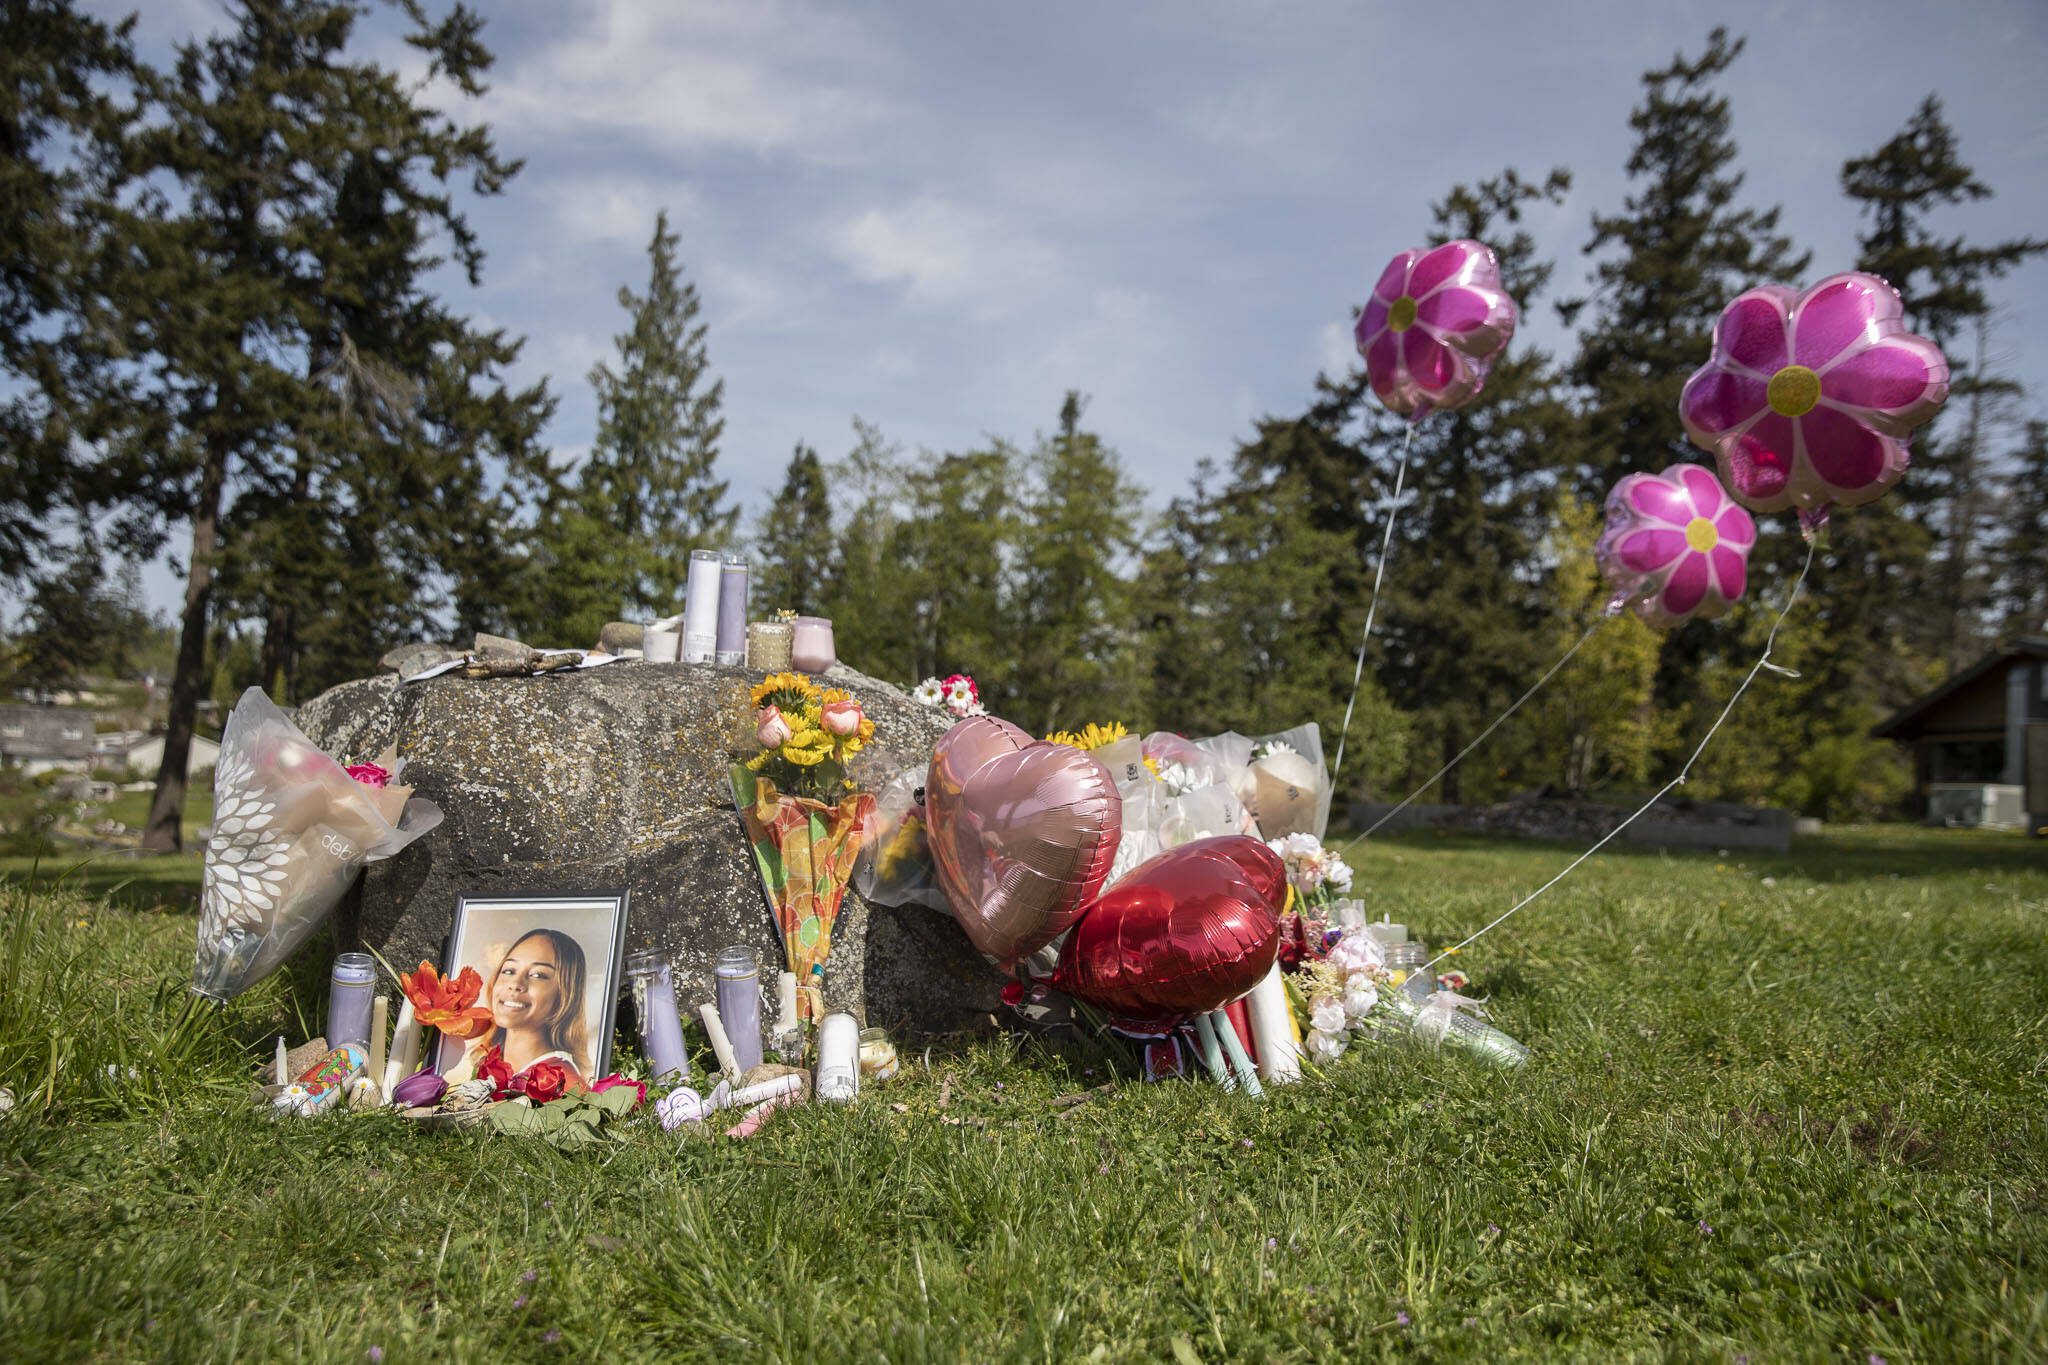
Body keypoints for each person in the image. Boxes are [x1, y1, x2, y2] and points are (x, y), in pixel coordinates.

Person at [444, 928, 594, 1088]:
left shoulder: (567, 1085)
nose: (515, 984)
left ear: (565, 994)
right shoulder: (482, 1065)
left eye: (538, 975)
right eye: (509, 971)